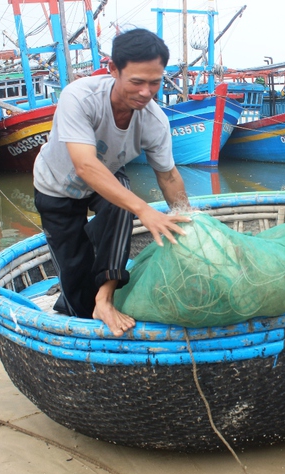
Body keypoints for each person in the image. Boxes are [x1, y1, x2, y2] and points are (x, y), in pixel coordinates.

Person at [33, 28, 190, 337]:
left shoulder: (154, 120)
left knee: (120, 202)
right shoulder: (80, 97)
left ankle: (105, 299)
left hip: (105, 181)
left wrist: (187, 218)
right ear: (113, 70)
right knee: (75, 280)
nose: (146, 92)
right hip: (56, 187)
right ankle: (83, 307)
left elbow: (169, 175)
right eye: (137, 81)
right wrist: (145, 211)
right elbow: (86, 165)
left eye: (155, 82)